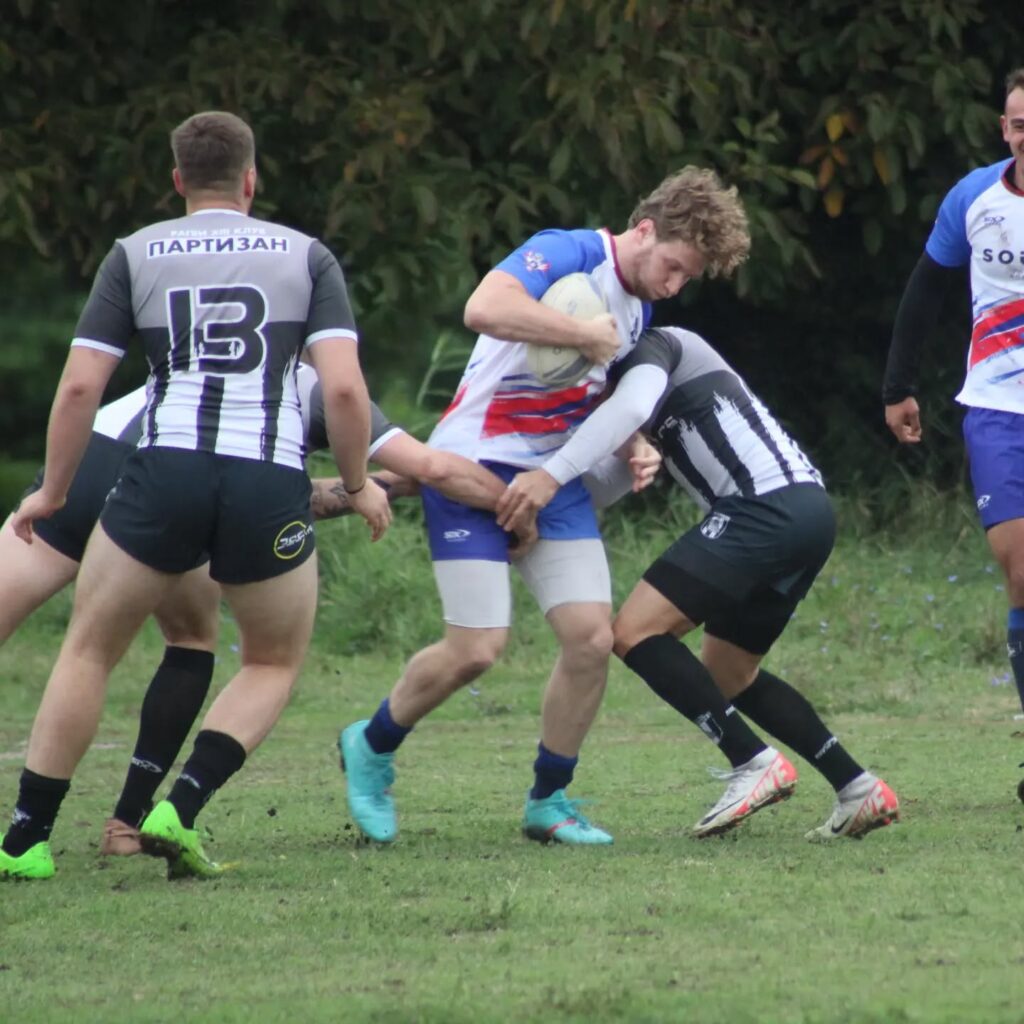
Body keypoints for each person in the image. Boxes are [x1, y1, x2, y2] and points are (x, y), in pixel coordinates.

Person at [0, 110, 393, 881]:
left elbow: (80, 386)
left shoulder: (135, 253)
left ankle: (25, 840)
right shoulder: (307, 256)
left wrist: (53, 491)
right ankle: (178, 807)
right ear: (251, 179)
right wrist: (356, 485)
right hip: (266, 480)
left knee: (89, 649)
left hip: (163, 471)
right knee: (271, 661)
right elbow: (344, 390)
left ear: (178, 179)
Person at [339, 167, 751, 846]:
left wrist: (635, 443)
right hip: (472, 462)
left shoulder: (640, 309)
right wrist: (580, 333)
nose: (675, 285)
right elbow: (483, 307)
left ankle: (549, 800)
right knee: (476, 650)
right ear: (645, 230)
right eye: (674, 266)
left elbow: (596, 391)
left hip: (549, 480)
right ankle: (372, 744)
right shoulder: (568, 251)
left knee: (592, 640)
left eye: (689, 277)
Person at [0, 360, 523, 860]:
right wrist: (520, 500)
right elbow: (431, 466)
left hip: (95, 455)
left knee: (83, 648)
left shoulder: (198, 353)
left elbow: (285, 497)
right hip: (168, 485)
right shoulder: (315, 383)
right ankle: (125, 823)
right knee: (190, 640)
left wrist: (379, 486)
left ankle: (30, 835)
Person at [498, 325, 901, 839]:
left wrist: (554, 476)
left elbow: (627, 409)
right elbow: (608, 465)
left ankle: (751, 761)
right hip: (807, 511)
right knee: (729, 673)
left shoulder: (656, 345)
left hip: (763, 507)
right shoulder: (631, 385)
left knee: (635, 631)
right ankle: (857, 787)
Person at [884, 68, 1024, 721]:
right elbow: (924, 291)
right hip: (997, 408)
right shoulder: (973, 196)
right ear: (1004, 129)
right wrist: (898, 386)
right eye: (1020, 125)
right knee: (1019, 571)